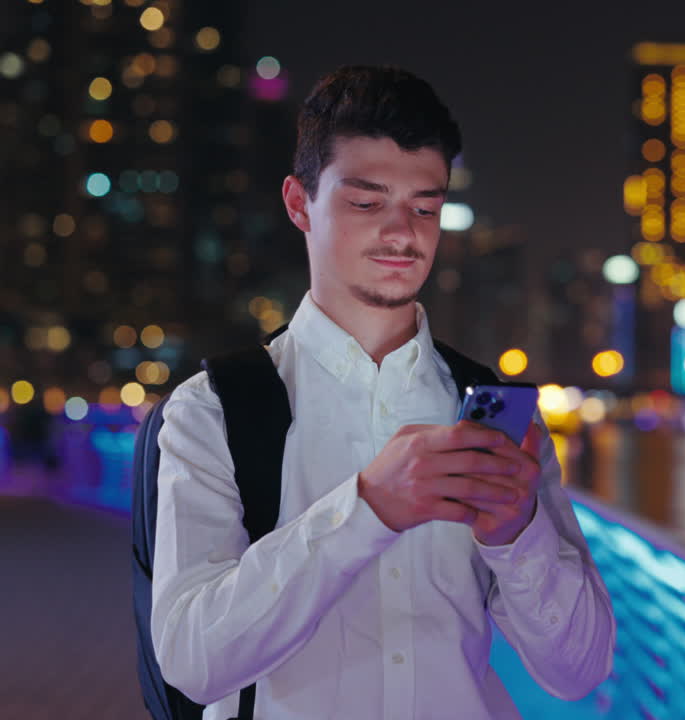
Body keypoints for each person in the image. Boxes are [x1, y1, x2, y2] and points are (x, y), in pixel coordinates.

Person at [150, 65, 615, 719]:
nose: (402, 232)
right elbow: (191, 661)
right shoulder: (215, 408)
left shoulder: (489, 408)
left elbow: (579, 672)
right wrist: (367, 509)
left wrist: (518, 534)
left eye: (425, 206)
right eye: (367, 202)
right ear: (297, 202)